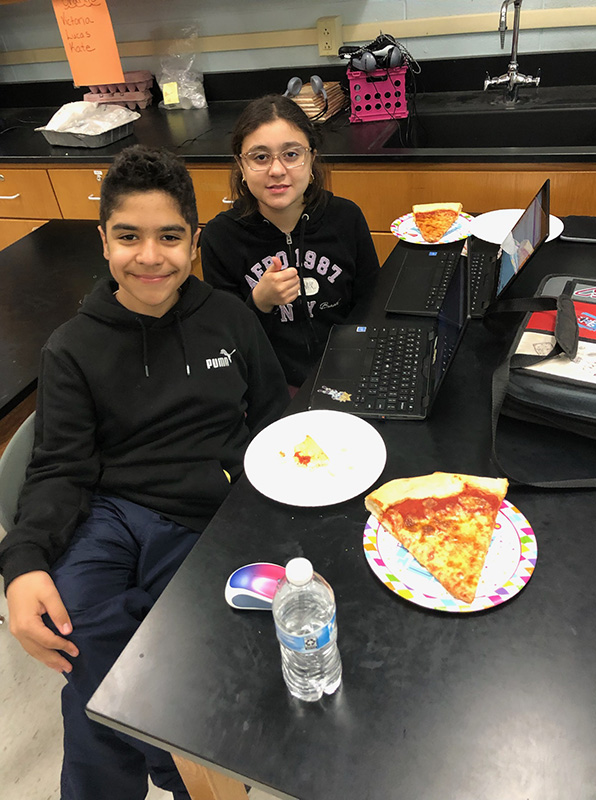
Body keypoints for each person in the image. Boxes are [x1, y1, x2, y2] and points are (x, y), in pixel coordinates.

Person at [0, 145, 289, 800]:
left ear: (193, 242)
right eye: (129, 236)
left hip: (202, 515)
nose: (150, 257)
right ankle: (188, 763)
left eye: (169, 237)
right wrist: (21, 564)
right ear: (104, 241)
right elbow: (59, 468)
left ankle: (177, 759)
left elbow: (273, 422)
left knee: (140, 665)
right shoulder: (71, 348)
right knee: (78, 626)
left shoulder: (230, 318)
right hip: (107, 514)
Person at [200, 94, 380, 390]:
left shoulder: (346, 218)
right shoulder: (220, 237)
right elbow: (226, 341)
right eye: (260, 157)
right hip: (271, 385)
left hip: (350, 371)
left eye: (291, 155)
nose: (277, 170)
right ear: (240, 165)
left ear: (311, 157)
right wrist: (260, 302)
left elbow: (371, 301)